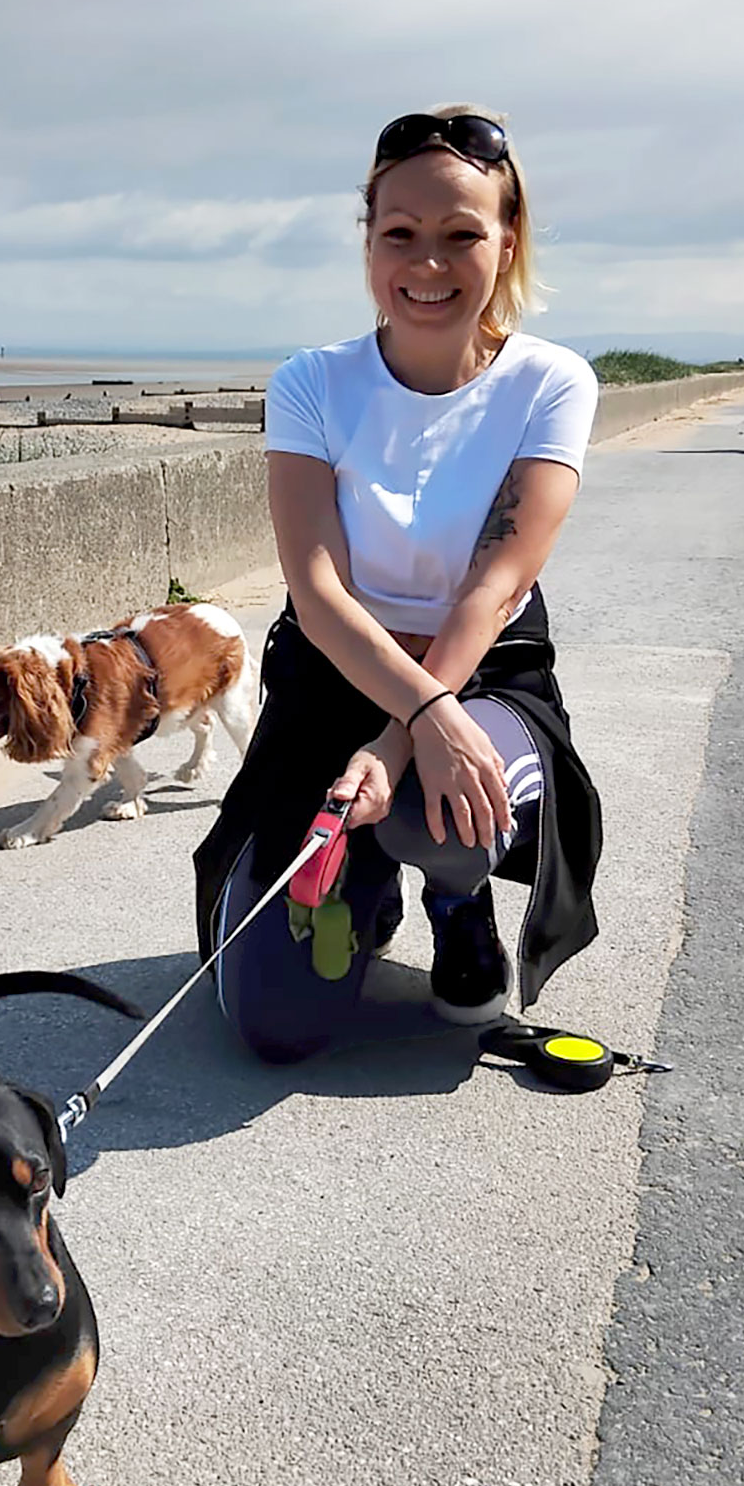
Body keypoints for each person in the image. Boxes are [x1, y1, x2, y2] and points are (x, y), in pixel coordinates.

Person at [194, 106, 603, 1065]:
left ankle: (458, 905)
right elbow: (317, 587)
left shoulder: (552, 383)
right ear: (368, 240)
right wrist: (410, 715)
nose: (429, 264)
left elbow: (498, 582)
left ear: (507, 243)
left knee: (440, 798)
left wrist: (410, 731)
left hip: (487, 674)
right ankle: (362, 876)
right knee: (272, 1027)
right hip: (336, 669)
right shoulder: (311, 383)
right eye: (401, 236)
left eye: (462, 235)